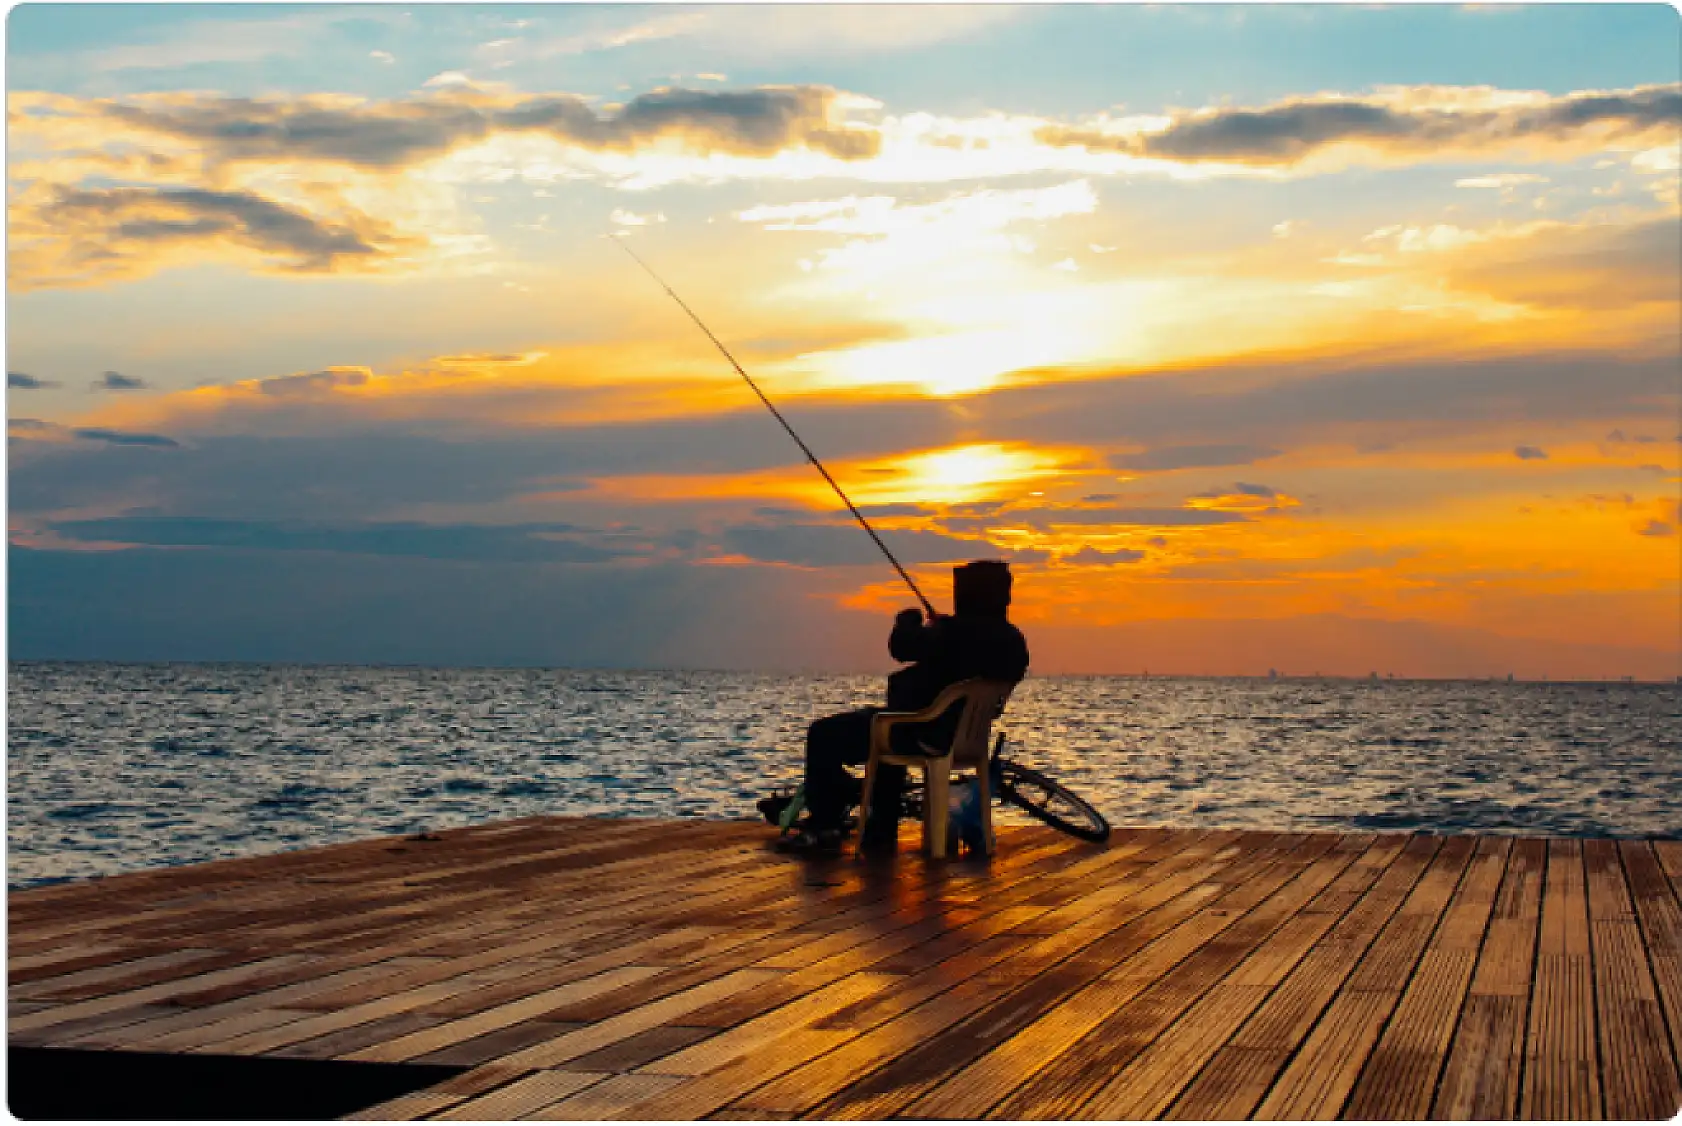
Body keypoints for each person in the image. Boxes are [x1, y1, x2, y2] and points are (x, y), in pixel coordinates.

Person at [777, 559, 1030, 857]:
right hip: (963, 739)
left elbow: (901, 646)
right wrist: (943, 629)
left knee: (823, 734)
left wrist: (908, 619)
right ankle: (877, 827)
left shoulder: (951, 633)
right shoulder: (1013, 640)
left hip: (922, 732)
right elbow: (962, 649)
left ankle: (826, 824)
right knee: (889, 725)